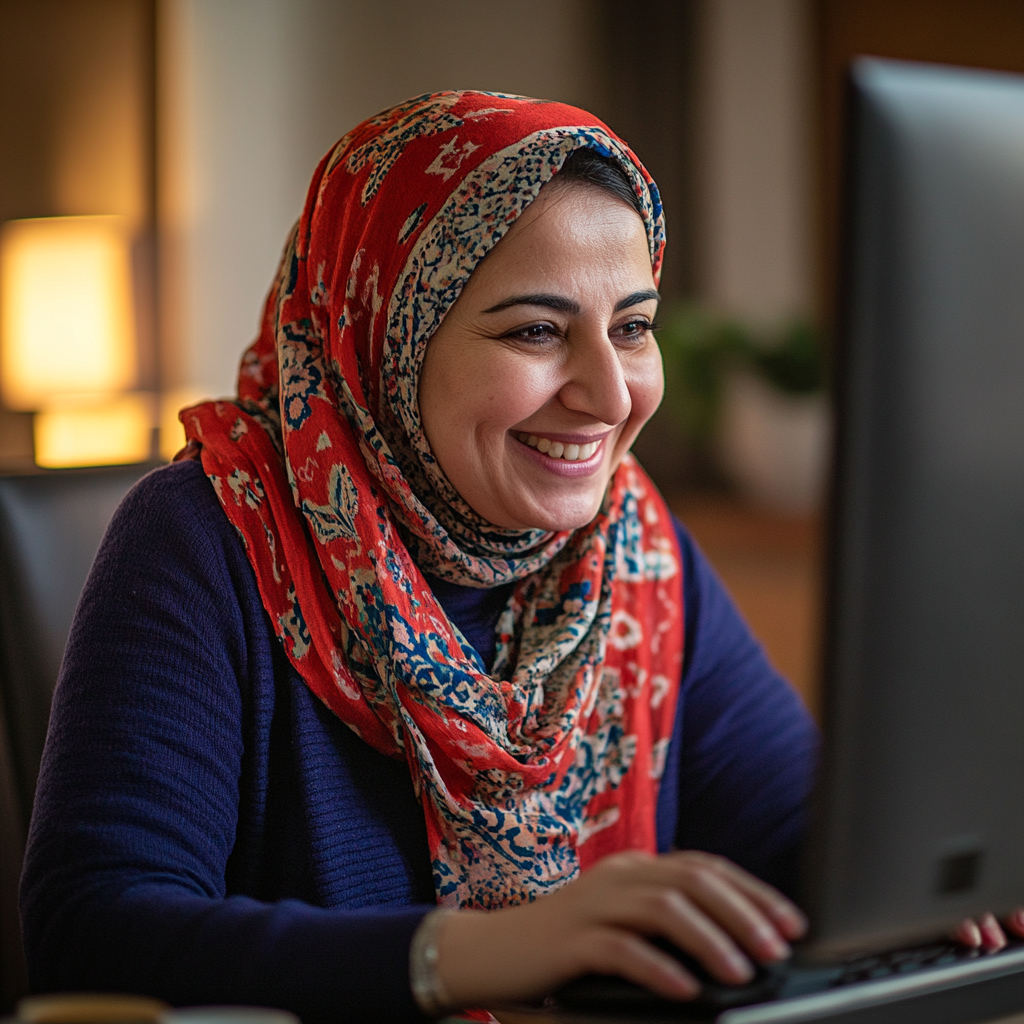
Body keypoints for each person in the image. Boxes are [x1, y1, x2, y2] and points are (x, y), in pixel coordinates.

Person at [22, 92, 827, 1022]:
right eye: (536, 330)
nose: (610, 395)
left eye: (633, 327)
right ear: (383, 336)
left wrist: (934, 889)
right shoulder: (207, 537)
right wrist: (483, 952)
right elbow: (92, 936)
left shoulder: (632, 549)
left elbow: (800, 840)